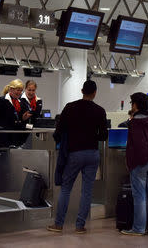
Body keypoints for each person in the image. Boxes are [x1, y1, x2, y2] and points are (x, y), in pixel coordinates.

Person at [47, 80, 108, 234]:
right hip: (93, 154)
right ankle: (80, 225)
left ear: (82, 91)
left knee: (66, 189)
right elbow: (104, 136)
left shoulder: (70, 107)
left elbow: (59, 131)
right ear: (95, 93)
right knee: (87, 191)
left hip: (74, 154)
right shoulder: (100, 111)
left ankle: (59, 224)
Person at [121, 92, 148, 236]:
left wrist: (130, 162)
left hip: (140, 162)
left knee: (140, 196)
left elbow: (135, 144)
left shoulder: (135, 123)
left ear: (135, 104)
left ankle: (139, 228)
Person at [0, 79, 31, 147]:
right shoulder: (2, 100)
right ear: (11, 89)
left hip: (16, 136)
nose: (19, 92)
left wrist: (23, 118)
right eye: (17, 90)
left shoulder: (21, 102)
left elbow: (18, 119)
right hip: (4, 135)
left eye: (21, 90)